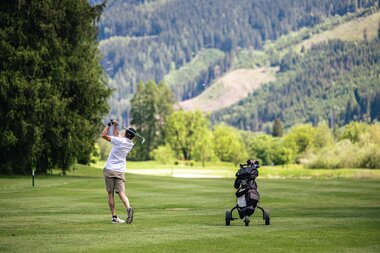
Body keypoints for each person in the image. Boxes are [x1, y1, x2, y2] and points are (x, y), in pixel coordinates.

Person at [101, 120, 136, 224]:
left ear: (125, 133)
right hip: (120, 171)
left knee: (110, 193)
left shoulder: (119, 141)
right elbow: (118, 136)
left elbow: (103, 135)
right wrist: (115, 126)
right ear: (132, 137)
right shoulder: (130, 144)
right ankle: (128, 208)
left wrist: (109, 124)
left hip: (110, 169)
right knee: (121, 192)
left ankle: (114, 217)